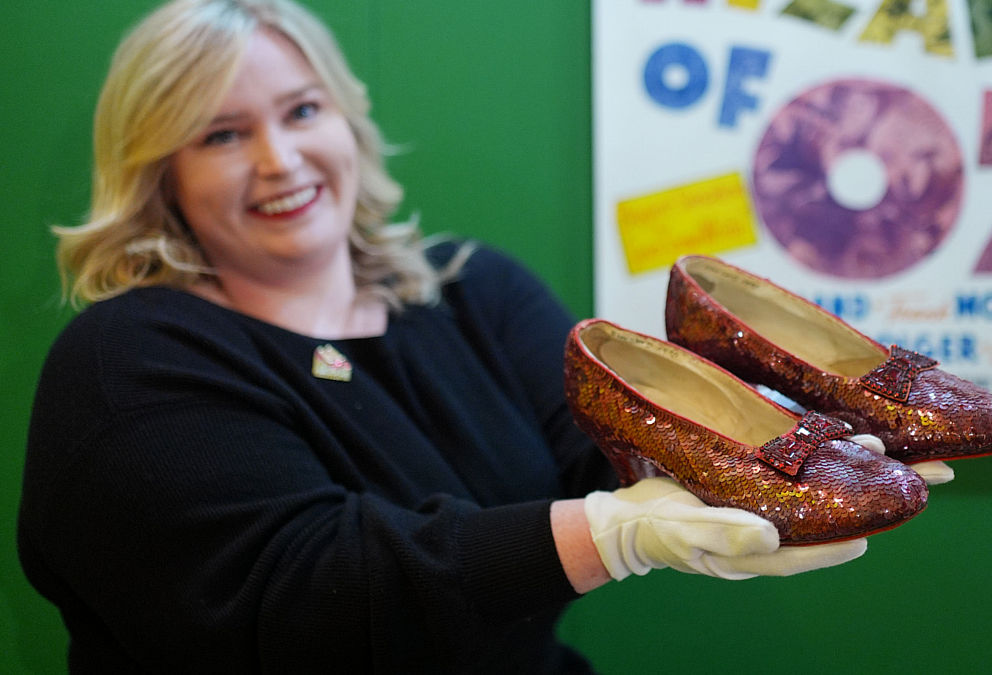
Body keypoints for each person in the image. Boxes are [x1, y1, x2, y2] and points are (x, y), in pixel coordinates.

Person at [17, 1, 910, 672]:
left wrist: (767, 435)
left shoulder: (471, 289)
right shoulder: (127, 359)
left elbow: (614, 447)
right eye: (221, 134)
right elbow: (305, 596)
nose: (279, 160)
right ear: (157, 172)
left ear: (347, 116)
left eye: (300, 111)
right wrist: (615, 536)